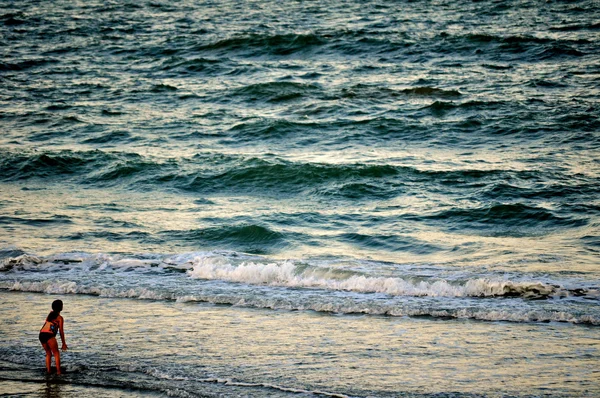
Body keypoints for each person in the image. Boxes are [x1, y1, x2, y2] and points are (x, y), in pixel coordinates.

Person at [39, 300, 68, 374]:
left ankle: (48, 371)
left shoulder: (50, 314)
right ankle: (58, 372)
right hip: (49, 335)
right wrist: (64, 343)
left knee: (48, 353)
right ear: (60, 307)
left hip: (41, 334)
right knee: (56, 353)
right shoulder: (60, 318)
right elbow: (61, 331)